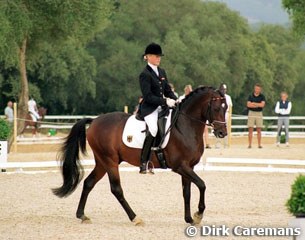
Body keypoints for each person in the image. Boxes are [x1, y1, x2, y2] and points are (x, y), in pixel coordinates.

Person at [138, 42, 177, 174]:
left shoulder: (162, 71)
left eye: (160, 56)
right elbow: (148, 96)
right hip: (149, 108)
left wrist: (175, 99)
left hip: (162, 107)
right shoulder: (145, 74)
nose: (159, 58)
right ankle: (144, 162)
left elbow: (167, 90)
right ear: (148, 57)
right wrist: (165, 101)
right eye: (156, 56)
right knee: (153, 129)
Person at [247, 84, 266, 149]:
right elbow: (248, 105)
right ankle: (249, 144)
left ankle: (259, 144)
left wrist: (254, 103)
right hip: (251, 113)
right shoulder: (250, 96)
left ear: (260, 90)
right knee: (250, 129)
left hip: (259, 113)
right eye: (256, 88)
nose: (257, 90)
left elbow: (262, 105)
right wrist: (258, 104)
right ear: (254, 89)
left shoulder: (262, 96)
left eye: (258, 89)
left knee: (259, 129)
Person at [218, 83, 233, 148]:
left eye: (224, 89)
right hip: (219, 114)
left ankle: (226, 144)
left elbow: (230, 106)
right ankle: (218, 143)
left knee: (226, 128)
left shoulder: (228, 97)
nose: (223, 91)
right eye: (222, 89)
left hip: (226, 113)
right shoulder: (217, 97)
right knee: (218, 128)